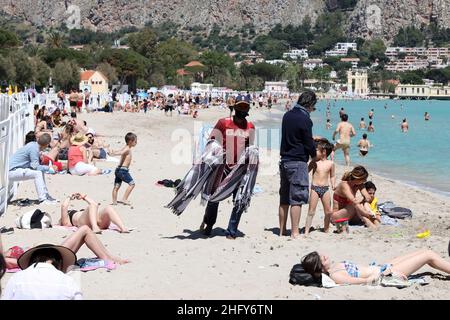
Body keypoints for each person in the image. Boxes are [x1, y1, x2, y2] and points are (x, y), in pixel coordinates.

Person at [1, 227, 130, 300]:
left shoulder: (16, 275)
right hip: (49, 257)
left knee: (85, 230)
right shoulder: (7, 261)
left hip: (44, 254)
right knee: (85, 229)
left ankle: (108, 257)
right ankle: (107, 258)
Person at [200, 95, 255, 239]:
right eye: (240, 107)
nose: (243, 110)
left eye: (245, 107)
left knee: (239, 199)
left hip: (240, 169)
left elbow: (251, 147)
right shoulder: (223, 123)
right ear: (235, 107)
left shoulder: (250, 127)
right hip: (222, 167)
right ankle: (209, 224)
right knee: (214, 198)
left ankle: (232, 230)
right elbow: (211, 140)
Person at [300, 248, 450, 286]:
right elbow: (363, 282)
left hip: (383, 266)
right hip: (387, 272)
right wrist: (387, 276)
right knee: (428, 255)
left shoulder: (335, 267)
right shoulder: (335, 276)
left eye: (321, 255)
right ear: (319, 267)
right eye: (321, 259)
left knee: (423, 251)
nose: (324, 256)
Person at [279, 91, 317, 239]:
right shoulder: (305, 119)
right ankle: (295, 232)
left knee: (284, 198)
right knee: (297, 198)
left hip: (285, 160)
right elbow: (307, 142)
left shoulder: (287, 115)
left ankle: (282, 231)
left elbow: (291, 136)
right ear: (310, 104)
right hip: (298, 161)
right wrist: (314, 156)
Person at [8, 133, 58, 204]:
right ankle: (43, 199)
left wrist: (41, 161)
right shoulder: (34, 148)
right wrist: (49, 168)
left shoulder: (33, 145)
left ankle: (46, 195)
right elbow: (35, 167)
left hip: (14, 170)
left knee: (40, 171)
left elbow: (34, 165)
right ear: (47, 145)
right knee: (37, 173)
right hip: (12, 171)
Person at [305, 139, 335, 235]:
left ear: (324, 152)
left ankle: (326, 229)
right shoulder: (314, 162)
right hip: (315, 188)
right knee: (311, 211)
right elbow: (306, 171)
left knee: (328, 212)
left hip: (325, 189)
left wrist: (333, 184)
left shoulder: (331, 163)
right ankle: (306, 231)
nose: (315, 151)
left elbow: (332, 176)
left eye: (317, 150)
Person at [60, 193, 129, 233]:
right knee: (92, 205)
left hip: (98, 222)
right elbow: (64, 206)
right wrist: (69, 197)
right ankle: (94, 227)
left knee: (108, 208)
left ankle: (123, 228)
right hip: (83, 224)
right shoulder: (66, 221)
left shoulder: (84, 212)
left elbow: (95, 205)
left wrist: (84, 197)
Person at [110, 132, 138, 206]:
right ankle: (124, 199)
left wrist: (113, 152)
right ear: (130, 141)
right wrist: (113, 154)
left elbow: (119, 151)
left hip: (118, 170)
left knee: (116, 186)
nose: (136, 143)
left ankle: (114, 202)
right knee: (132, 184)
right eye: (135, 141)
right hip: (123, 171)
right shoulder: (127, 149)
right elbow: (121, 152)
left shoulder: (125, 147)